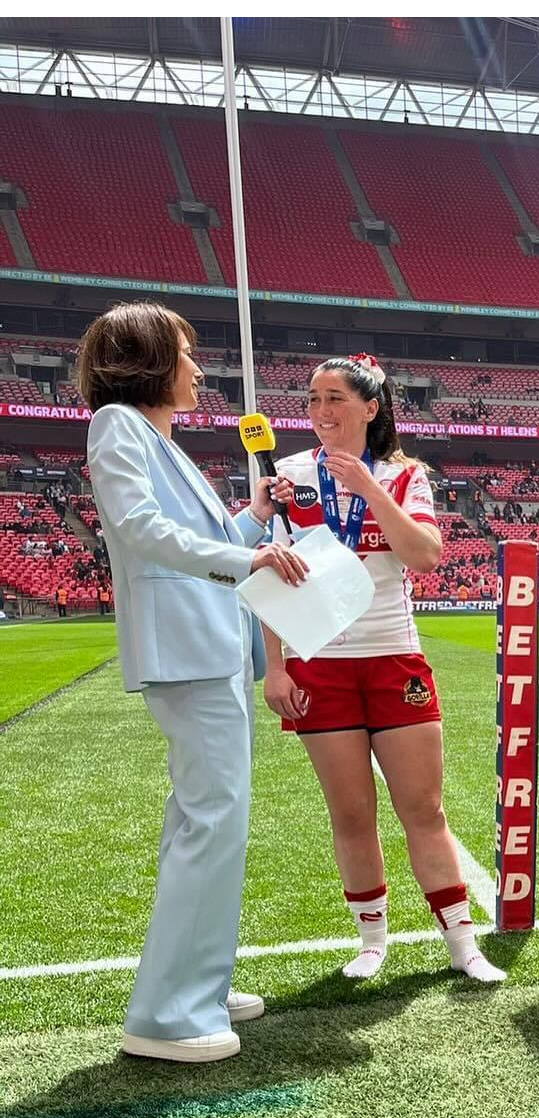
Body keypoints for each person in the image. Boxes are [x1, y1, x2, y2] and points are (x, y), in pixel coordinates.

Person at [79, 301, 306, 1063]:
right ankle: (168, 1015)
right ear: (147, 358)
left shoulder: (156, 438)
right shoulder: (118, 425)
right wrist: (247, 558)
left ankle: (198, 982)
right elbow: (140, 527)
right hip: (188, 650)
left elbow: (194, 541)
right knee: (211, 823)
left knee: (207, 822)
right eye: (185, 353)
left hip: (210, 648)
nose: (199, 370)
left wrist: (251, 522)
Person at [261, 353, 504, 984]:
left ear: (370, 408)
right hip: (319, 664)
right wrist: (275, 666)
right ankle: (371, 941)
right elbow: (270, 573)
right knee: (350, 813)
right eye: (312, 399)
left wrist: (367, 486)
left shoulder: (403, 476)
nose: (320, 412)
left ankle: (461, 942)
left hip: (394, 656)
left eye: (335, 399)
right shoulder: (286, 474)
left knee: (424, 809)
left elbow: (425, 554)